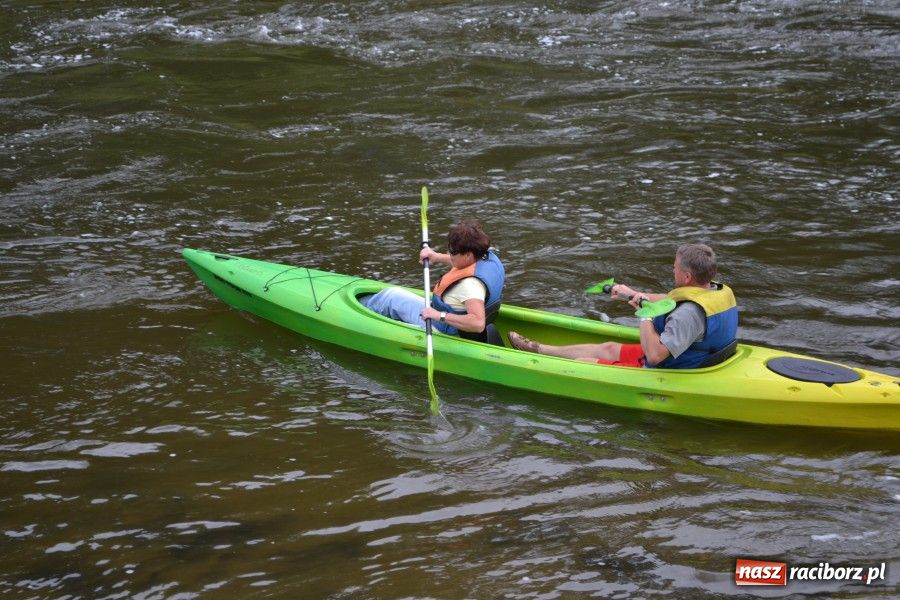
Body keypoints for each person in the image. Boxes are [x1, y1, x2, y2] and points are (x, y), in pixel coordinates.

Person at [508, 243, 738, 368]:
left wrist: (646, 316)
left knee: (583, 364)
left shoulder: (689, 314)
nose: (672, 269)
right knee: (608, 347)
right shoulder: (715, 290)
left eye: (675, 267)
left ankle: (531, 365)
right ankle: (541, 349)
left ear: (687, 276)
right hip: (694, 353)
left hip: (675, 367)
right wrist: (633, 294)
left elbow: (656, 356)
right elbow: (673, 299)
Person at [359, 219, 505, 338]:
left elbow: (478, 323)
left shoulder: (471, 286)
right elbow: (465, 263)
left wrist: (438, 315)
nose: (449, 253)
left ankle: (359, 317)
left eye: (453, 252)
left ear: (468, 254)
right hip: (450, 316)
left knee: (391, 298)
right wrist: (436, 257)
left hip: (443, 328)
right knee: (391, 297)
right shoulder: (487, 257)